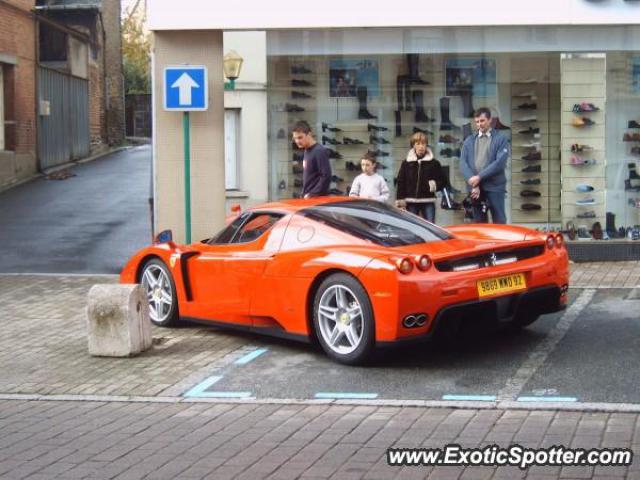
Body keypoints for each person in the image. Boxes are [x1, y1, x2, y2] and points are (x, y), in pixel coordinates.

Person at [460, 107, 510, 223]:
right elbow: (463, 162)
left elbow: (499, 163)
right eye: (477, 122)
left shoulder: (500, 139)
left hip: (495, 187)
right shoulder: (469, 140)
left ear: (490, 120)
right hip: (475, 188)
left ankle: (501, 242)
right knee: (479, 223)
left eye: (482, 121)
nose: (479, 124)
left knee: (499, 220)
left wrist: (479, 177)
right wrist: (473, 182)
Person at [395, 131, 447, 223]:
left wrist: (433, 185)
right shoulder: (406, 163)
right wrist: (400, 200)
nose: (421, 146)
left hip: (428, 200)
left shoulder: (434, 163)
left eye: (423, 143)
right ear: (413, 145)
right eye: (418, 144)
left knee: (431, 226)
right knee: (412, 227)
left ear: (426, 145)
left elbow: (443, 181)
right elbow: (401, 181)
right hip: (411, 202)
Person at [291, 120, 331, 198]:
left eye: (300, 137)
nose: (297, 141)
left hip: (316, 200)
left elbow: (326, 176)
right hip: (308, 198)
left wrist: (312, 194)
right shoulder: (307, 150)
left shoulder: (319, 151)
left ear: (309, 134)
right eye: (295, 138)